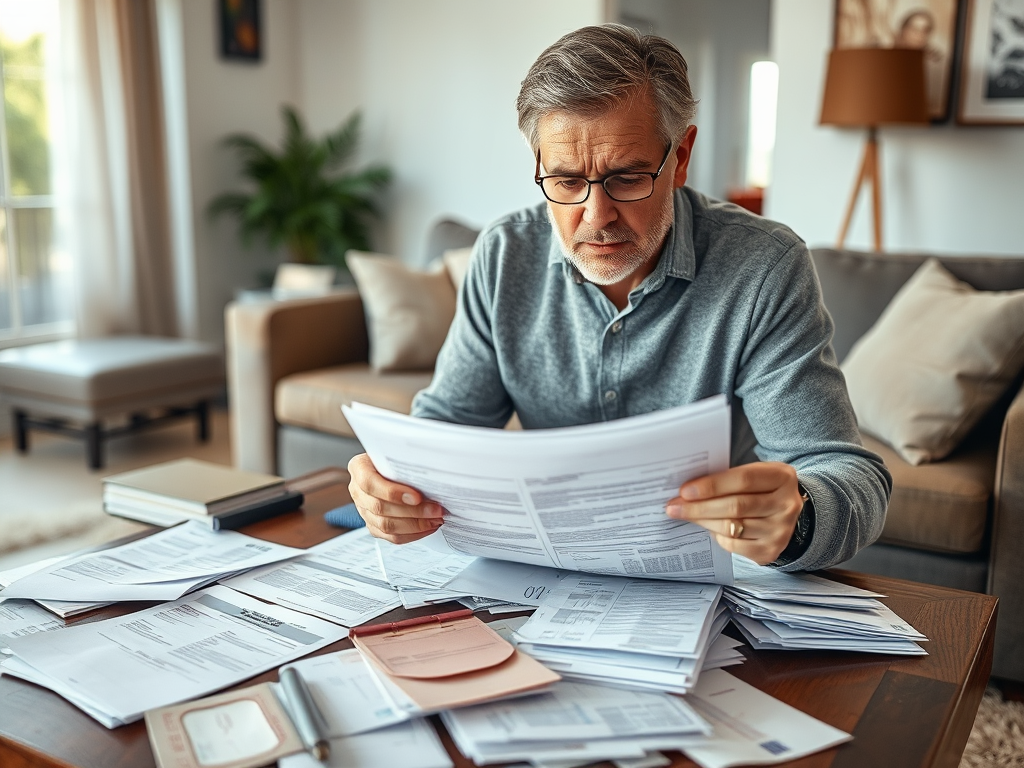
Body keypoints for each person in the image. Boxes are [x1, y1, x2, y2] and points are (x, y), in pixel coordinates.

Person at [349, 24, 891, 571]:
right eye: (564, 181)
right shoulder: (503, 255)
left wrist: (796, 521)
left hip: (708, 578)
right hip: (542, 576)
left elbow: (849, 477)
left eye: (627, 178)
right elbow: (447, 427)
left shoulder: (764, 268)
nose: (596, 216)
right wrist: (392, 483)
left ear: (680, 157)